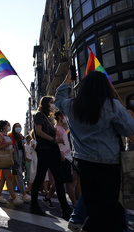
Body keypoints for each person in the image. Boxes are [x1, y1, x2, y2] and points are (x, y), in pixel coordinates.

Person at [55, 71, 134, 232]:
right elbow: (130, 130)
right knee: (107, 211)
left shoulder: (72, 106)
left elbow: (59, 99)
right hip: (109, 165)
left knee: (96, 208)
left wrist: (67, 80)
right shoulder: (112, 105)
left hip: (83, 164)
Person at [29, 96, 72, 220]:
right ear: (45, 103)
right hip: (44, 150)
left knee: (59, 179)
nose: (53, 104)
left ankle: (65, 208)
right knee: (40, 177)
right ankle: (34, 204)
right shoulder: (39, 115)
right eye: (51, 102)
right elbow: (38, 131)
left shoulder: (49, 118)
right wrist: (54, 139)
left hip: (53, 151)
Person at [42, 111, 77, 208]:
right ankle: (74, 204)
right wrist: (61, 154)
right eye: (63, 115)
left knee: (59, 180)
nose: (65, 117)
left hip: (66, 157)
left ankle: (48, 197)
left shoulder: (61, 128)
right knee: (69, 181)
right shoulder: (56, 129)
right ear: (59, 117)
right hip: (63, 158)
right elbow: (55, 143)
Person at [0, 120, 23, 205]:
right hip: (4, 159)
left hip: (8, 158)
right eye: (8, 125)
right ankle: (14, 197)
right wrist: (9, 144)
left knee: (3, 179)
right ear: (3, 126)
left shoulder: (7, 136)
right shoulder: (1, 136)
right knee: (9, 178)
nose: (9, 126)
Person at [8, 123, 31, 202]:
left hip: (21, 158)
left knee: (15, 177)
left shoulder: (20, 136)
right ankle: (24, 194)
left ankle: (12, 194)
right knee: (19, 176)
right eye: (17, 126)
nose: (18, 128)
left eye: (19, 126)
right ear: (14, 128)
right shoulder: (11, 136)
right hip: (15, 158)